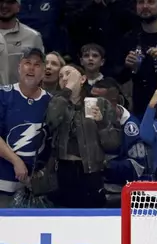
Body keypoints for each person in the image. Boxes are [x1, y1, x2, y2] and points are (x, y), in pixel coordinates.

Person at [45, 64, 121, 208]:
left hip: (91, 171)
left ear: (83, 79)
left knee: (93, 217)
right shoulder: (56, 102)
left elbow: (113, 144)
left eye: (69, 74)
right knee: (63, 217)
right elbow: (51, 121)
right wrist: (67, 90)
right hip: (62, 169)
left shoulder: (102, 104)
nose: (64, 78)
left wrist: (101, 123)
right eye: (61, 76)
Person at [0, 48, 49, 207]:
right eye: (27, 63)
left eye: (37, 65)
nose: (31, 68)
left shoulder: (52, 102)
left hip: (34, 187)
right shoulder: (3, 95)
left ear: (43, 72)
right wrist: (16, 161)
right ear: (19, 67)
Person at [91, 77, 149, 206]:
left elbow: (137, 167)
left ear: (113, 102)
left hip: (120, 195)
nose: (93, 105)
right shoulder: (87, 120)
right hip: (92, 191)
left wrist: (105, 166)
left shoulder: (130, 127)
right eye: (91, 98)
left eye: (98, 101)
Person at [0, 0, 44, 84]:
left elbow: (40, 72)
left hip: (21, 95)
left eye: (10, 2)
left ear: (18, 7)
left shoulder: (33, 37)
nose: (4, 5)